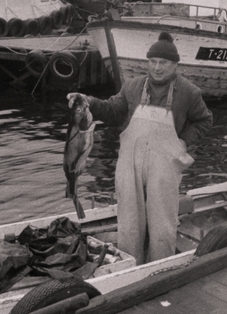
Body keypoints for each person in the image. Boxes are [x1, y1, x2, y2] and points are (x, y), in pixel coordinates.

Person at [67, 32, 212, 263]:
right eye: (152, 62)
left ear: (175, 65)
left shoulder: (189, 92)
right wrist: (88, 101)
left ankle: (162, 265)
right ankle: (129, 264)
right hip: (130, 162)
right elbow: (112, 111)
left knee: (162, 220)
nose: (157, 68)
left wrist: (184, 140)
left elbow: (204, 120)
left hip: (164, 163)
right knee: (129, 219)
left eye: (163, 63)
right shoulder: (132, 87)